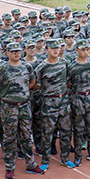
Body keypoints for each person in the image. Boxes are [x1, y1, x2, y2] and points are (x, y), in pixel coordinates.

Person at [0, 42, 44, 179]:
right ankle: (9, 167)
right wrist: (7, 97)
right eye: (13, 51)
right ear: (7, 53)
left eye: (18, 51)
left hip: (24, 106)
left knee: (26, 136)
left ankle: (31, 164)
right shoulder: (2, 68)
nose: (16, 53)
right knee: (9, 137)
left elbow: (32, 82)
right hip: (9, 107)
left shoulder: (27, 66)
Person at [35, 38, 75, 171]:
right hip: (49, 102)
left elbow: (68, 79)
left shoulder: (64, 63)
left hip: (63, 101)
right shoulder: (42, 66)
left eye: (57, 48)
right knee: (47, 132)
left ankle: (65, 159)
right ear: (46, 50)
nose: (56, 50)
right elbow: (34, 83)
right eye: (52, 48)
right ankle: (45, 160)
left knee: (65, 131)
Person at [68, 39, 90, 165]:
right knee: (78, 128)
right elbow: (68, 82)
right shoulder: (72, 66)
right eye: (83, 49)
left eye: (87, 49)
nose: (85, 52)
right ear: (76, 50)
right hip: (78, 98)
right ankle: (78, 155)